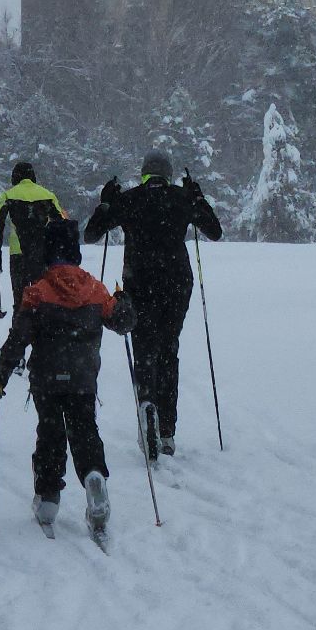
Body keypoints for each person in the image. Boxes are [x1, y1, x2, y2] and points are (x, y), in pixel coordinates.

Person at [0, 220, 137, 542]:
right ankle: (94, 474)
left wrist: (1, 375)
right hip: (83, 378)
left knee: (51, 435)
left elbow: (19, 338)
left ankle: (48, 498)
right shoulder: (96, 290)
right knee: (85, 430)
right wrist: (124, 301)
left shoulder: (37, 291)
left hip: (47, 379)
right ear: (76, 252)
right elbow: (123, 322)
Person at [83, 151, 224, 461]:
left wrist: (107, 201)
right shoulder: (181, 198)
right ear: (169, 174)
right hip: (177, 283)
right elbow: (214, 231)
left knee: (145, 348)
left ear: (144, 173)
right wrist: (196, 197)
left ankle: (147, 403)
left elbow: (91, 234)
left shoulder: (129, 200)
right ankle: (168, 430)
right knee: (168, 349)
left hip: (139, 283)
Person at [0, 162, 70, 311]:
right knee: (43, 299)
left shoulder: (8, 195)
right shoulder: (48, 195)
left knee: (20, 301)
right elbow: (62, 225)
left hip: (18, 255)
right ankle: (42, 331)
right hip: (42, 255)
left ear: (15, 177)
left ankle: (20, 329)